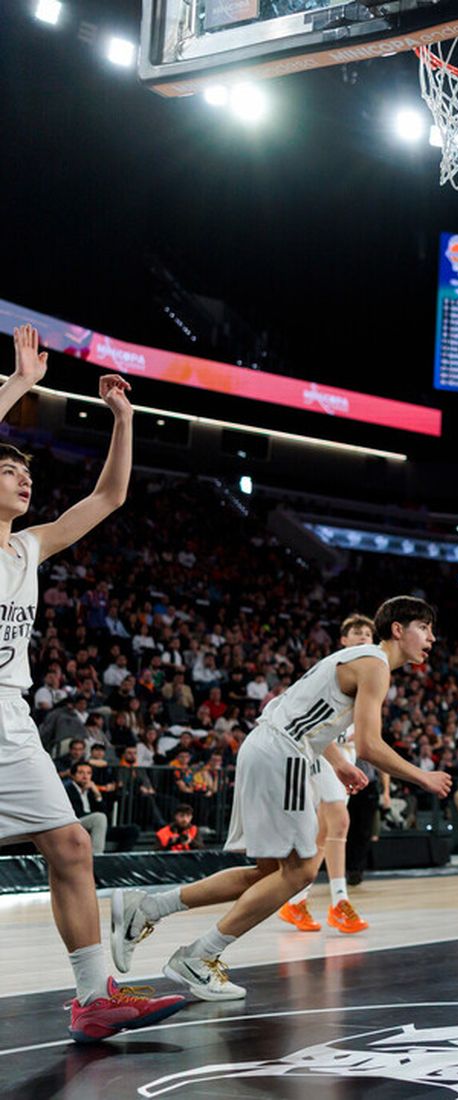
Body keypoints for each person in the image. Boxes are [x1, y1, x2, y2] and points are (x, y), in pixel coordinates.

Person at [109, 597, 453, 1002]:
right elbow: (370, 745)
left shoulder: (352, 657)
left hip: (267, 747)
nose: (431, 638)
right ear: (398, 629)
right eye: (424, 628)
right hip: (284, 755)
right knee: (303, 870)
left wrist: (338, 763)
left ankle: (146, 907)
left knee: (268, 874)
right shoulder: (376, 665)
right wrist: (422, 777)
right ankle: (199, 957)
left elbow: (286, 707)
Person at [0, 327, 181, 1041]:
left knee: (72, 846)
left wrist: (124, 420)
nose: (27, 479)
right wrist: (18, 383)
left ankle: (92, 997)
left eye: (28, 474)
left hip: (9, 712)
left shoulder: (29, 545)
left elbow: (108, 496)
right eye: (11, 471)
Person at [278, 614, 378, 934]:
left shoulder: (369, 675)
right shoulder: (336, 668)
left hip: (338, 754)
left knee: (327, 833)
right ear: (343, 640)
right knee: (336, 824)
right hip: (317, 751)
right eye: (357, 633)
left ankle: (297, 901)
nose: (364, 637)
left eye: (368, 634)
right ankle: (338, 902)